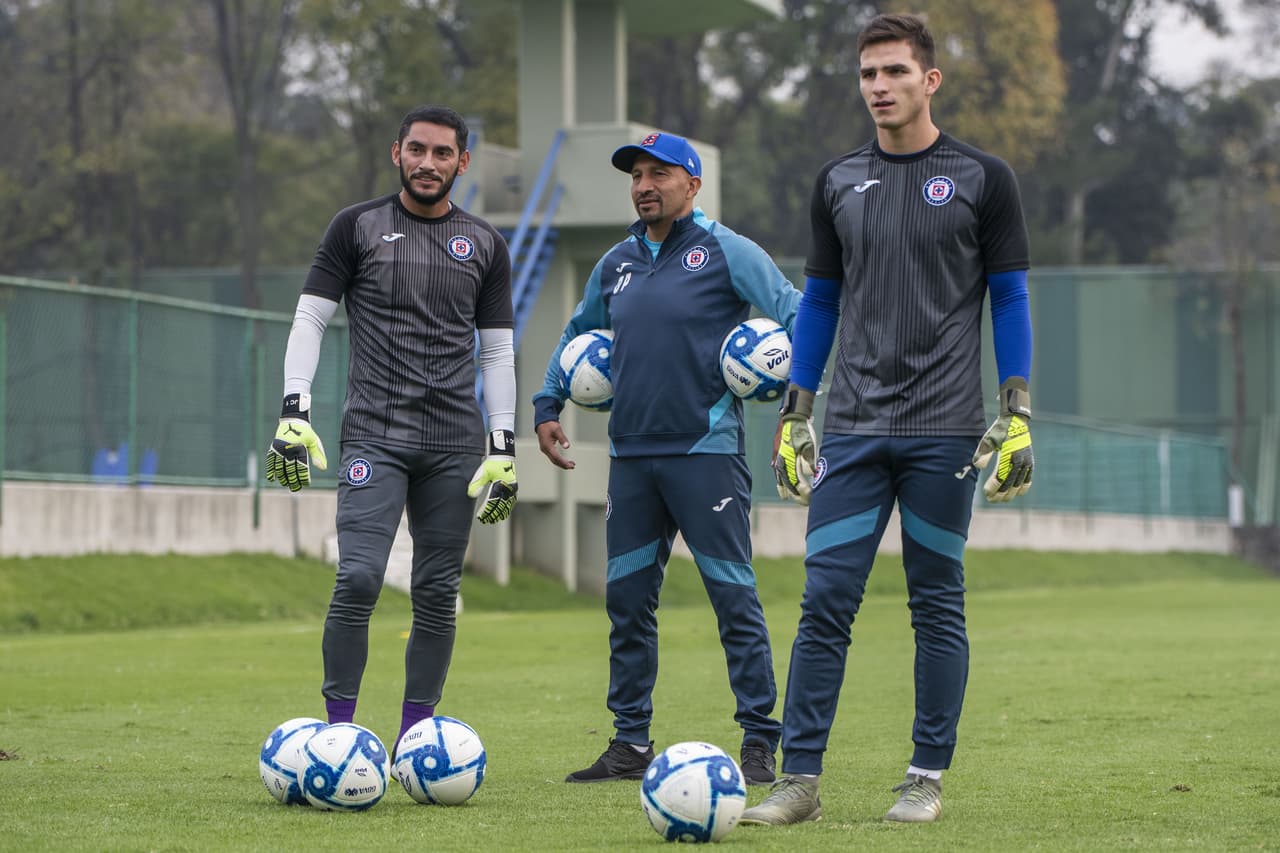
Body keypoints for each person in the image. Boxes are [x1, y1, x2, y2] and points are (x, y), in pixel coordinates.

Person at [740, 13, 1035, 826]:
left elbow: (1008, 295)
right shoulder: (837, 180)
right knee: (825, 598)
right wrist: (797, 411)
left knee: (935, 599)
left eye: (896, 72)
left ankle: (925, 777)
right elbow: (823, 300)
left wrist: (1018, 409)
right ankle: (798, 781)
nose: (879, 87)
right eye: (869, 73)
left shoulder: (983, 177)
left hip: (945, 431)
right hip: (854, 430)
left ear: (929, 80)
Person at [532, 131, 802, 786]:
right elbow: (575, 335)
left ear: (693, 183)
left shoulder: (727, 251)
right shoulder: (616, 262)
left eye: (659, 173)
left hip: (705, 455)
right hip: (631, 458)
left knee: (732, 599)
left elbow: (797, 312)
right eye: (636, 175)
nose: (644, 185)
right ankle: (628, 742)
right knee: (626, 602)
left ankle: (761, 740)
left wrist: (794, 405)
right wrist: (546, 404)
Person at [265, 104, 519, 748]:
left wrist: (504, 443)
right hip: (373, 436)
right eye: (417, 150)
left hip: (454, 445)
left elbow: (496, 352)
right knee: (358, 578)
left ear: (463, 162)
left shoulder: (486, 243)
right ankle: (338, 738)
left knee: (437, 591)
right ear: (396, 153)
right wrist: (294, 409)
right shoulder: (356, 227)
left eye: (441, 154)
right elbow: (310, 320)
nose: (427, 163)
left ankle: (415, 737)